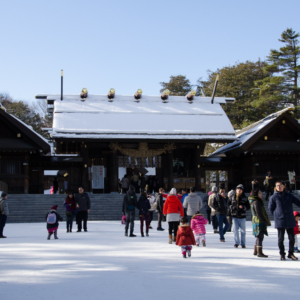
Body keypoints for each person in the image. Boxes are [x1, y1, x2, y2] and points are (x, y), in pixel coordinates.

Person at [269, 180, 300, 260]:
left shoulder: (289, 195)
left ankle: (291, 253)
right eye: (277, 185)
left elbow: (297, 202)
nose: (278, 187)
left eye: (280, 185)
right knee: (280, 239)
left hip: (289, 219)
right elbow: (271, 209)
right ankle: (282, 254)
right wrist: (277, 215)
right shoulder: (274, 197)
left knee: (292, 238)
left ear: (284, 186)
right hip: (280, 220)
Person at [249, 189, 271, 258]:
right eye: (259, 193)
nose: (261, 194)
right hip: (258, 221)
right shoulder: (257, 202)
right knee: (260, 236)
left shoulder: (253, 201)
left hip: (256, 221)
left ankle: (256, 251)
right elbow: (259, 213)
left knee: (258, 236)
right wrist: (264, 220)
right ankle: (259, 252)